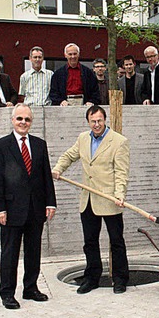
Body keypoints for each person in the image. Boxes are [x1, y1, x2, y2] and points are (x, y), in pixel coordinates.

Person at [52, 105, 130, 294]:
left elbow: (121, 172)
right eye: (93, 121)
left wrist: (120, 195)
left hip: (110, 199)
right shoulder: (82, 138)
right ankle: (92, 278)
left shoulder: (119, 142)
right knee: (90, 242)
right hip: (88, 200)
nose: (96, 124)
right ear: (88, 121)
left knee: (116, 241)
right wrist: (58, 168)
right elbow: (69, 156)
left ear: (105, 120)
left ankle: (120, 280)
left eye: (99, 121)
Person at [0, 104, 57, 309]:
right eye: (19, 119)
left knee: (33, 251)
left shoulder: (39, 145)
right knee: (9, 253)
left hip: (36, 209)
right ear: (12, 120)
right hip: (10, 210)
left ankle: (30, 288)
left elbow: (46, 176)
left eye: (27, 119)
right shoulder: (0, 146)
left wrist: (50, 202)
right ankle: (7, 293)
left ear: (31, 122)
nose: (23, 123)